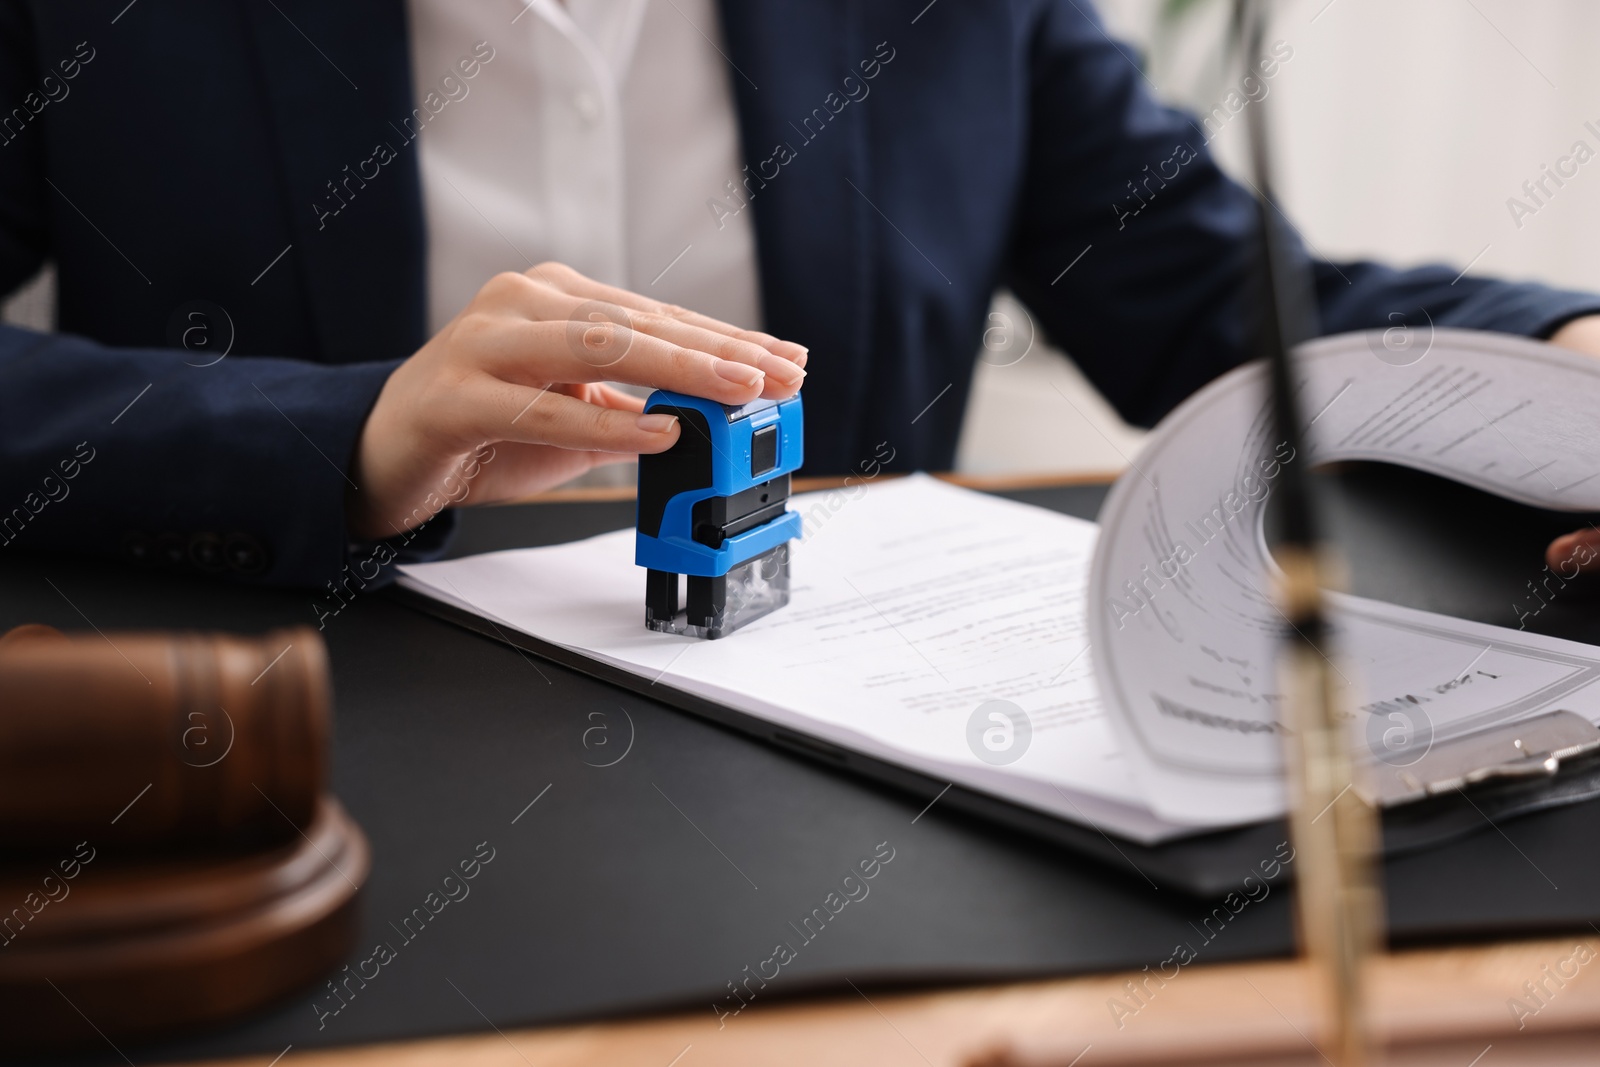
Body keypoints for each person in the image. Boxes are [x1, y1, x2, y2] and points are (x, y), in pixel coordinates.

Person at [4, 0, 1600, 589]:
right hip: (303, 752)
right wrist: (340, 433)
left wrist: (1558, 348)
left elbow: (1219, 298)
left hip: (841, 787)